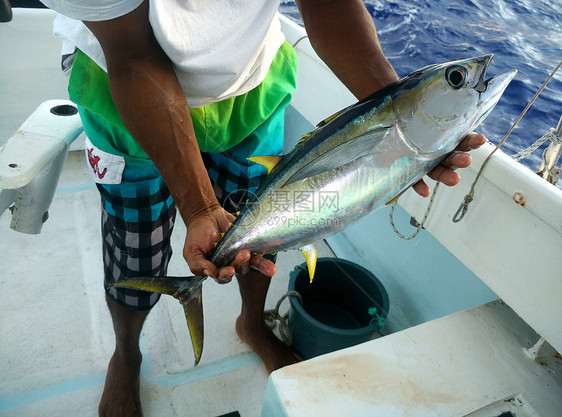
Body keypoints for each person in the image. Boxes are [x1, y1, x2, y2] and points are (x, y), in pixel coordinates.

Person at [39, 0, 485, 415]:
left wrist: (402, 122)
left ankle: (252, 323)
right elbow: (133, 57)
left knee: (265, 231)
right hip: (127, 98)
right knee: (134, 248)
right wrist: (198, 207)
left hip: (251, 88)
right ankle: (127, 352)